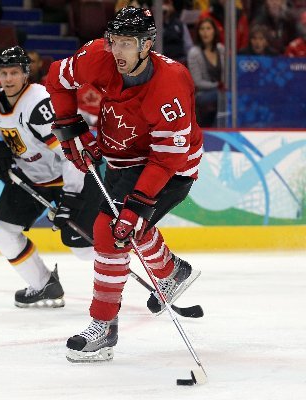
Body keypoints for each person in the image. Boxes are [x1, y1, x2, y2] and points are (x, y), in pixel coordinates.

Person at [46, 7, 202, 363]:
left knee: (112, 229)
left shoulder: (171, 83)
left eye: (128, 43)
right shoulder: (97, 55)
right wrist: (70, 125)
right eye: (114, 40)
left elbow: (166, 158)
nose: (117, 50)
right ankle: (171, 271)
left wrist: (138, 204)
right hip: (122, 159)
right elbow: (57, 79)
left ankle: (103, 327)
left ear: (147, 44)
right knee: (125, 225)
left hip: (169, 169)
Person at [0, 46, 103, 308]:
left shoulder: (39, 105)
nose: (8, 79)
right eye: (3, 73)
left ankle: (137, 257)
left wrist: (72, 196)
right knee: (2, 234)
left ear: (26, 75)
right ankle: (44, 285)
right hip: (31, 178)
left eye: (15, 73)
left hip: (72, 176)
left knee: (83, 248)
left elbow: (71, 154)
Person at [187, 17, 224, 127]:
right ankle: (218, 130)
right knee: (221, 97)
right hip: (202, 94)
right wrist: (218, 86)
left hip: (221, 91)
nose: (205, 32)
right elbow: (198, 82)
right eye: (202, 29)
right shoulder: (194, 53)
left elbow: (228, 74)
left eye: (208, 28)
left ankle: (220, 128)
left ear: (214, 31)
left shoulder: (221, 49)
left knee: (226, 97)